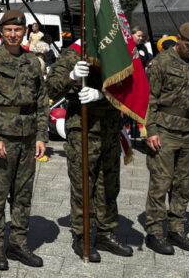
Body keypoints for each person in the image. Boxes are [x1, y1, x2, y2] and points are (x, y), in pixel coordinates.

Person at [0, 10, 48, 271]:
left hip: (28, 137)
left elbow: (41, 100)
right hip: (3, 137)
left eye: (18, 30)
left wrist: (42, 135)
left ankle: (18, 243)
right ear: (1, 32)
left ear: (25, 31)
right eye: (8, 30)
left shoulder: (32, 62)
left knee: (23, 194)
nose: (13, 34)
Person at [46, 42, 131, 262]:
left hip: (110, 130)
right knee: (84, 184)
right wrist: (72, 77)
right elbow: (51, 88)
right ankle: (82, 234)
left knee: (109, 184)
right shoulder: (72, 54)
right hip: (83, 130)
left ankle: (105, 232)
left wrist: (103, 95)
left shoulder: (115, 52)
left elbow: (129, 85)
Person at [143, 22, 189, 255]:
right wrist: (150, 130)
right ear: (178, 39)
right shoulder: (161, 62)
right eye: (188, 45)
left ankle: (176, 228)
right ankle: (154, 231)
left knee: (184, 184)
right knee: (161, 183)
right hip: (164, 130)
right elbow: (149, 99)